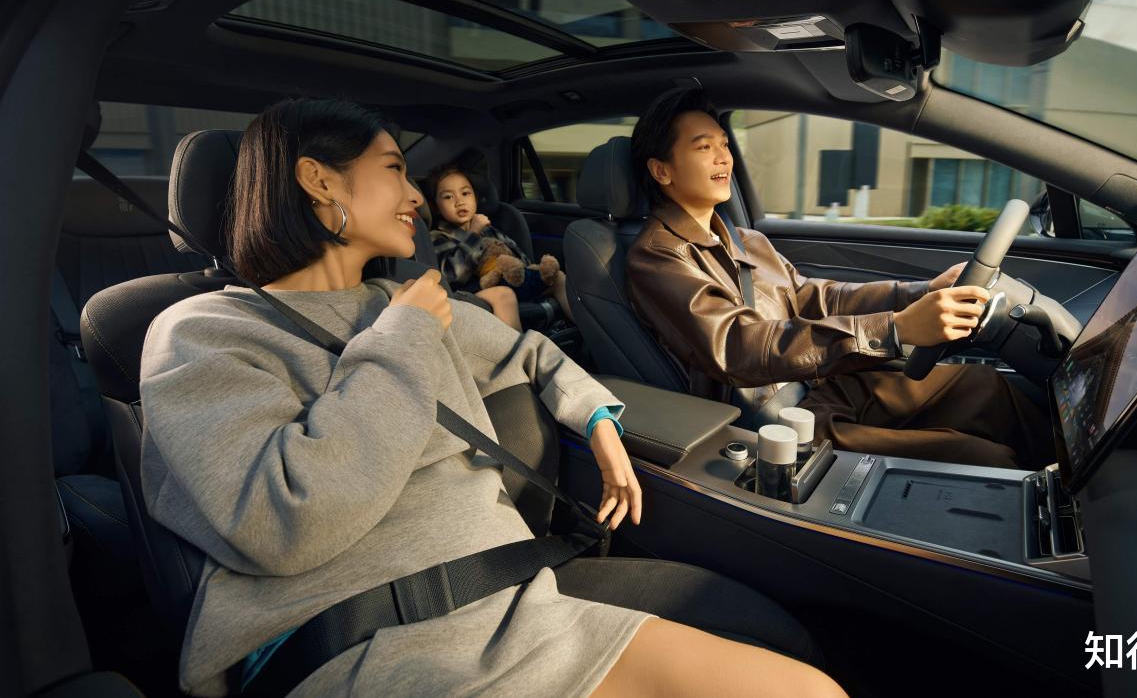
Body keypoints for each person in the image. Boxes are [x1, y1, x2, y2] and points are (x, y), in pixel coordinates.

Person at [140, 98, 843, 697]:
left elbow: (532, 351)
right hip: (369, 642)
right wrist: (402, 340)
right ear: (319, 180)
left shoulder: (402, 301)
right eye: (394, 170)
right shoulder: (202, 333)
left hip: (512, 600)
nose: (418, 196)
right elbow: (285, 520)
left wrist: (599, 422)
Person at [625, 88, 1052, 469]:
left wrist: (922, 292)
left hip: (822, 382)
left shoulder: (746, 240)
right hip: (779, 421)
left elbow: (816, 297)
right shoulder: (658, 257)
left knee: (986, 387)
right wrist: (894, 329)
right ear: (662, 171)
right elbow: (736, 346)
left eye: (723, 143)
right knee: (982, 459)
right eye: (704, 147)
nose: (724, 157)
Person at [426, 165, 573, 329]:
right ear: (436, 206)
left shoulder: (489, 230)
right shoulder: (438, 237)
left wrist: (525, 272)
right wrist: (473, 235)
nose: (459, 202)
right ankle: (521, 346)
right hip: (471, 292)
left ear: (475, 198)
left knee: (558, 277)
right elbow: (452, 275)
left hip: (509, 281)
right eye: (448, 197)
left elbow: (519, 257)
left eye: (465, 193)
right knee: (504, 294)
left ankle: (587, 332)